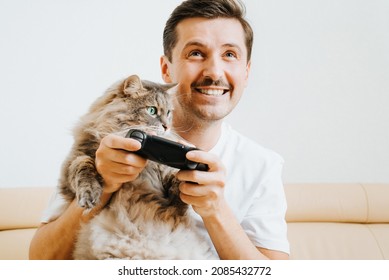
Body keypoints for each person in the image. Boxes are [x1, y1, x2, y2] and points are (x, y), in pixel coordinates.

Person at [29, 0, 289, 260]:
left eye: (229, 54)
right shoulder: (110, 144)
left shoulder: (263, 166)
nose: (214, 71)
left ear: (246, 72)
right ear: (167, 69)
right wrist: (105, 184)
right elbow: (40, 259)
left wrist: (216, 211)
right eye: (196, 53)